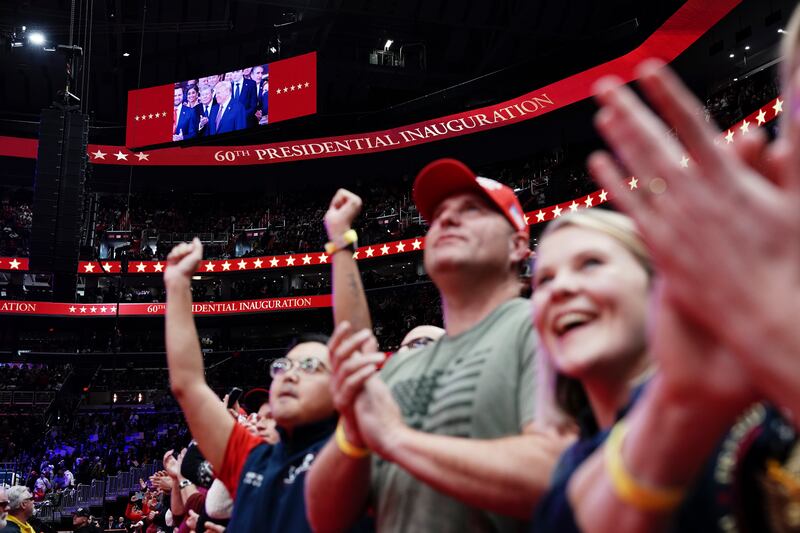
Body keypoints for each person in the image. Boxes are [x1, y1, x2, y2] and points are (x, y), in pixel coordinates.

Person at [307, 159, 571, 532]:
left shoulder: (543, 328)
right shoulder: (400, 365)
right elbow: (325, 518)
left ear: (518, 246)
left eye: (471, 210)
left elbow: (557, 475)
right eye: (438, 216)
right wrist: (353, 431)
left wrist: (395, 438)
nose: (446, 220)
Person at [163, 238, 371, 533]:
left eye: (310, 367)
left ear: (343, 386)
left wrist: (340, 241)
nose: (290, 374)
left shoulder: (357, 449)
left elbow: (357, 342)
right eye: (284, 366)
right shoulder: (252, 457)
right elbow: (188, 384)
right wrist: (177, 286)